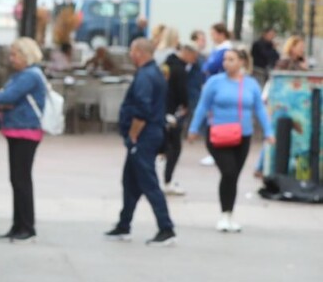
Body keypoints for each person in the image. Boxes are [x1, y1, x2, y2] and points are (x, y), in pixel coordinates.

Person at [187, 46, 274, 233]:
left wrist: (269, 131)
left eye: (231, 59)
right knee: (228, 172)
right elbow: (203, 106)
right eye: (225, 59)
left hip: (243, 135)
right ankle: (224, 214)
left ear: (242, 62)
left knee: (233, 176)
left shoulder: (250, 84)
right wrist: (194, 128)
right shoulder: (214, 82)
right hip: (218, 134)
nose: (227, 63)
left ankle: (229, 214)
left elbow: (259, 108)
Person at [104, 38, 177, 246]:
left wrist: (134, 134)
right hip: (148, 133)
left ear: (139, 52)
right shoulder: (154, 73)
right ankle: (124, 224)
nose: (130, 54)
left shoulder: (146, 76)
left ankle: (166, 227)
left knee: (148, 181)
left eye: (132, 51)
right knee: (130, 181)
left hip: (144, 136)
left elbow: (142, 109)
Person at [0, 37, 48, 242]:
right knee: (17, 179)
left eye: (14, 54)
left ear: (26, 55)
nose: (11, 58)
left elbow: (7, 97)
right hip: (17, 129)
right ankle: (18, 224)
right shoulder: (24, 75)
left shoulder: (30, 75)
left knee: (21, 180)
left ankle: (26, 225)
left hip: (25, 130)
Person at [160, 43, 196, 196]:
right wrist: (186, 105)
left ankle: (163, 179)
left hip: (162, 110)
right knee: (174, 148)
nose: (194, 61)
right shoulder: (179, 70)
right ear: (186, 53)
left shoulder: (166, 65)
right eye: (193, 57)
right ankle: (167, 181)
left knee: (165, 146)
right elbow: (181, 92)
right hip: (172, 112)